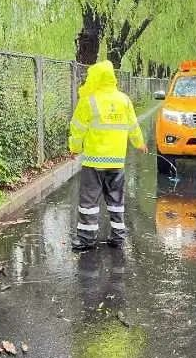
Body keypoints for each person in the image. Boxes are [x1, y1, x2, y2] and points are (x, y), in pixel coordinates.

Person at [68, 60, 147, 251]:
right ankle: (118, 236)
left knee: (89, 201)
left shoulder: (89, 100)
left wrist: (75, 148)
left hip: (94, 161)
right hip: (116, 161)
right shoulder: (124, 100)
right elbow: (133, 126)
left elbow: (78, 128)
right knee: (116, 199)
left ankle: (86, 239)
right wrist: (140, 143)